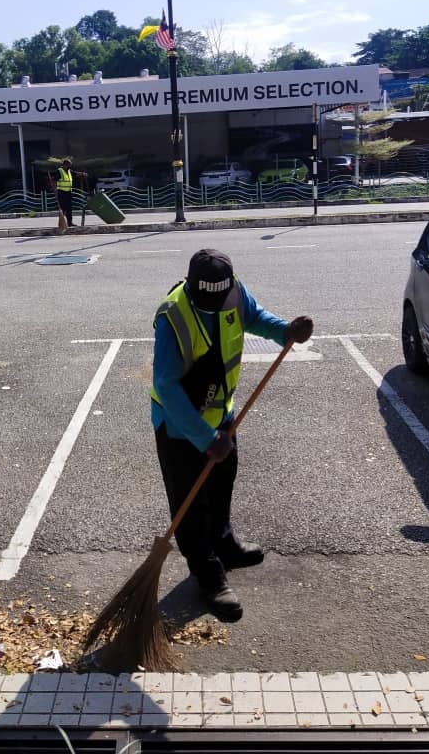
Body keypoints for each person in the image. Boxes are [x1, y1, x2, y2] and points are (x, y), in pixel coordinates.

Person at [150, 248, 313, 622]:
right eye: (207, 301)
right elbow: (166, 386)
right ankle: (207, 573)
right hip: (180, 427)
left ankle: (224, 545)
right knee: (191, 505)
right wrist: (205, 438)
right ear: (192, 288)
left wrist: (284, 331)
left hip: (222, 414)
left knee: (222, 483)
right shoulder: (173, 316)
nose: (215, 305)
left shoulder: (233, 292)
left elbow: (253, 317)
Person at [55, 158, 74, 228]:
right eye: (68, 165)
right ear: (65, 164)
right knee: (62, 208)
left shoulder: (69, 171)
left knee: (69, 208)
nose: (69, 167)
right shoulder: (59, 171)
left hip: (68, 192)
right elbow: (55, 180)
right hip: (61, 192)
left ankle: (70, 222)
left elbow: (75, 173)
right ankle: (61, 223)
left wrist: (82, 174)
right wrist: (55, 189)